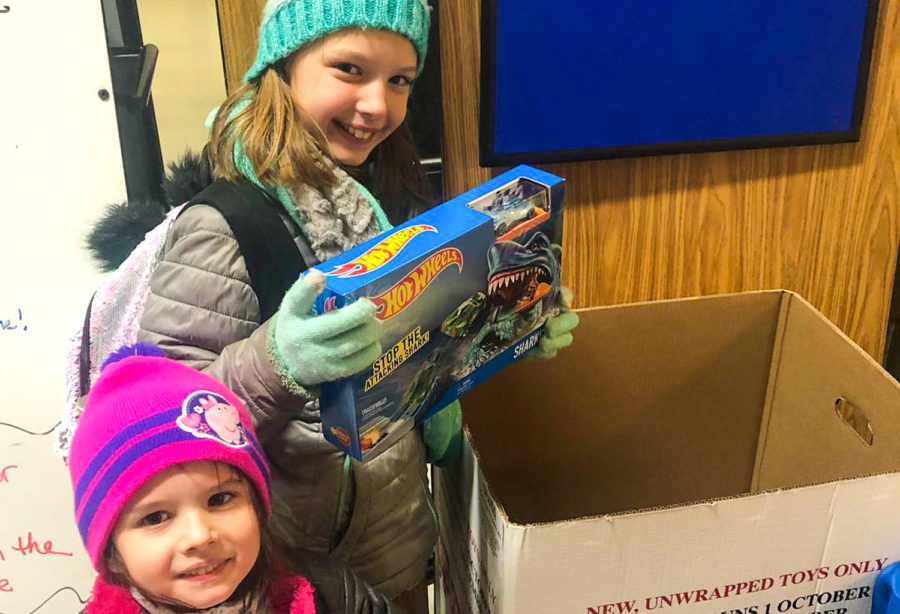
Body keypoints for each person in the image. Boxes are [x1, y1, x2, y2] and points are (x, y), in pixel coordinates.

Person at [134, 0, 579, 610]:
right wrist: (278, 360)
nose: (378, 106)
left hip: (393, 548)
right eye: (349, 68)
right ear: (282, 69)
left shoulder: (380, 199)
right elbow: (158, 430)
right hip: (284, 577)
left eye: (399, 80)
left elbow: (418, 355)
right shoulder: (222, 225)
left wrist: (509, 322)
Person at [68, 344, 398, 613]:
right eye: (155, 517)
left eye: (220, 499)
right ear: (111, 552)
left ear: (256, 504)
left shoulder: (328, 590)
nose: (199, 536)